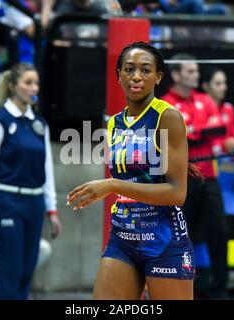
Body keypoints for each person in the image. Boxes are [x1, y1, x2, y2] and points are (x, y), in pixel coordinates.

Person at [67, 42, 197, 300]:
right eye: (129, 69)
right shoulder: (114, 123)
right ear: (118, 76)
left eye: (146, 70)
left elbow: (176, 193)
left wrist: (113, 185)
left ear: (158, 77)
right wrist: (113, 185)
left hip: (164, 240)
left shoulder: (168, 117)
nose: (136, 76)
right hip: (123, 238)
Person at [0, 63, 62, 300]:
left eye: (36, 83)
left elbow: (46, 169)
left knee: (27, 271)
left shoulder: (39, 124)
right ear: (13, 86)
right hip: (8, 201)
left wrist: (51, 208)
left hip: (35, 202)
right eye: (27, 82)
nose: (33, 88)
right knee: (10, 271)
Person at [161, 53, 229, 299]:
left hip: (208, 177)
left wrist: (193, 131)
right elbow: (178, 136)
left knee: (219, 229)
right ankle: (183, 285)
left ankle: (220, 286)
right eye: (190, 71)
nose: (196, 75)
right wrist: (199, 132)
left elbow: (219, 128)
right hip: (182, 180)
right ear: (177, 75)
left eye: (197, 71)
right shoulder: (166, 104)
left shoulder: (205, 100)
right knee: (181, 233)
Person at [201, 67, 234, 154]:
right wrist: (222, 146)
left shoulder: (229, 108)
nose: (223, 88)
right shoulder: (199, 109)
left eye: (224, 83)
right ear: (205, 86)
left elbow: (233, 135)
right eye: (218, 84)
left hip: (227, 159)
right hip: (205, 159)